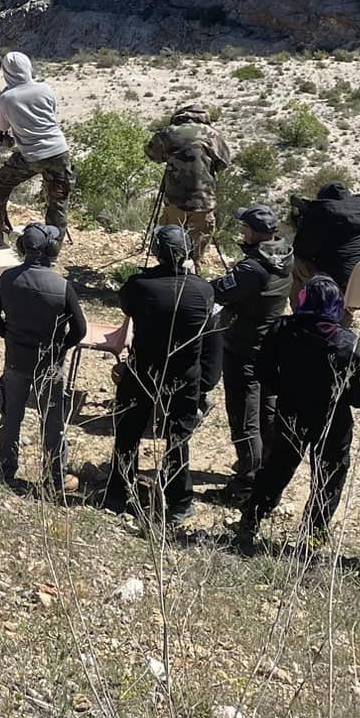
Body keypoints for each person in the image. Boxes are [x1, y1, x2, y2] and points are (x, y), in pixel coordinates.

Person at [235, 275, 360, 548]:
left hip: (292, 413)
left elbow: (262, 370)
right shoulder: (348, 344)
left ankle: (251, 520)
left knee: (277, 469)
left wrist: (285, 387)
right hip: (333, 421)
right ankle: (312, 537)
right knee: (329, 479)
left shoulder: (282, 329)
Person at [106, 225, 215, 527]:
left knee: (129, 430)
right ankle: (178, 501)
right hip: (184, 373)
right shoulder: (203, 289)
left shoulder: (140, 285)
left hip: (145, 369)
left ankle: (119, 492)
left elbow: (126, 303)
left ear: (157, 253)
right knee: (178, 437)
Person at [0, 222, 87, 493]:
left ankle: (6, 468)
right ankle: (56, 478)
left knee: (10, 416)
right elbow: (80, 329)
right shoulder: (62, 286)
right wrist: (60, 348)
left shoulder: (8, 278)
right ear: (51, 249)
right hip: (49, 365)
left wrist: (9, 335)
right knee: (52, 421)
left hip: (16, 360)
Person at [210, 205, 294, 500]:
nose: (241, 233)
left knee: (244, 417)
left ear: (255, 233)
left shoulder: (251, 269)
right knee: (267, 413)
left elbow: (218, 291)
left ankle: (246, 483)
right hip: (271, 345)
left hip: (244, 348)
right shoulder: (286, 253)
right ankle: (267, 473)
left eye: (245, 229)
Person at [0, 52, 74, 246]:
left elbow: (3, 127)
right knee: (58, 202)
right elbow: (52, 114)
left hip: (31, 155)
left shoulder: (4, 98)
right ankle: (52, 249)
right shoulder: (45, 89)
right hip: (58, 151)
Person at [145, 103, 230, 264]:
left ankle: (169, 273)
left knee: (170, 243)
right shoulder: (214, 135)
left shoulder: (168, 132)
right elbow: (223, 164)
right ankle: (193, 274)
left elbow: (152, 155)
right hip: (204, 201)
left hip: (175, 200)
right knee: (197, 247)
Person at [290, 182, 360, 290]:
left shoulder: (321, 222)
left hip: (342, 288)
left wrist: (303, 224)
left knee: (296, 262)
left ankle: (303, 305)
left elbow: (301, 251)